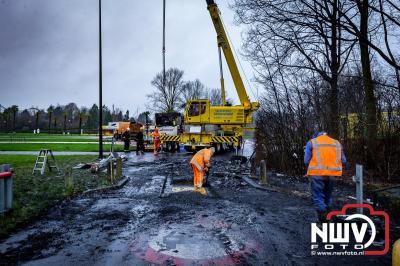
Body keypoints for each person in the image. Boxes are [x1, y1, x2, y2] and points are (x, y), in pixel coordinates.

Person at [304, 131, 346, 223]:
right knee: (328, 196)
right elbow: (344, 160)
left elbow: (306, 161)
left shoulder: (312, 142)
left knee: (318, 196)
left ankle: (323, 222)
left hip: (317, 174)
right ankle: (328, 217)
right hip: (332, 174)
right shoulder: (336, 143)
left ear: (316, 136)